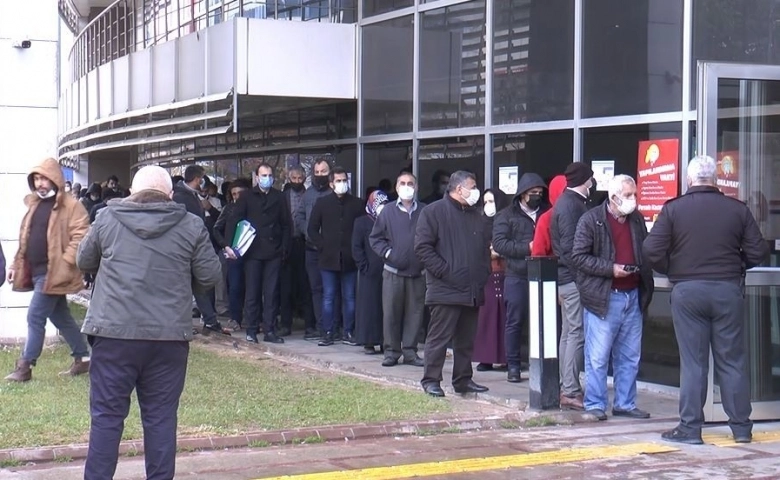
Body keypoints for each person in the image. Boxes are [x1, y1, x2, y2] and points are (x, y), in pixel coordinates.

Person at [77, 165, 221, 480]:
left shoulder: (107, 218)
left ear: (131, 192)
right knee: (160, 420)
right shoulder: (190, 225)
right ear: (170, 195)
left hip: (113, 334)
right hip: (168, 339)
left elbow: (83, 261)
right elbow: (210, 275)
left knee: (106, 419)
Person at [643, 155, 769, 445]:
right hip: (727, 290)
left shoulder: (674, 209)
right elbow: (758, 251)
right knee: (732, 361)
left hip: (688, 291)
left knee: (694, 363)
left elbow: (650, 250)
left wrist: (672, 269)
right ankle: (740, 428)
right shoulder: (737, 209)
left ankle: (690, 429)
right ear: (715, 180)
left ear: (689, 180)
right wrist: (736, 267)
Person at [572, 174, 653, 422]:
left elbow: (646, 249)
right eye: (629, 195)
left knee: (629, 356)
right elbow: (578, 257)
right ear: (614, 197)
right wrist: (611, 269)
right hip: (605, 296)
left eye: (635, 194)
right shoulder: (591, 220)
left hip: (633, 295)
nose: (633, 200)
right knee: (598, 355)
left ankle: (625, 403)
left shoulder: (636, 220)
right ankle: (595, 403)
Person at [4, 158, 91, 382]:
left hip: (54, 273)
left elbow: (81, 236)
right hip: (36, 271)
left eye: (44, 178)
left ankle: (25, 366)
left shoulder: (72, 206)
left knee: (35, 316)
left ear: (55, 179)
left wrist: (64, 263)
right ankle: (83, 359)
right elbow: (25, 239)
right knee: (61, 317)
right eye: (37, 179)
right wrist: (15, 265)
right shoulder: (33, 205)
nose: (41, 183)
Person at [414, 170, 491, 397]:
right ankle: (431, 380)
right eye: (473, 186)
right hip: (445, 289)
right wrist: (446, 272)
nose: (476, 191)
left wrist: (483, 272)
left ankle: (463, 380)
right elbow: (423, 248)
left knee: (465, 340)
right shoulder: (433, 212)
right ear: (459, 189)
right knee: (439, 338)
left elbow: (483, 249)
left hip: (472, 289)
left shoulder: (476, 215)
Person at [224, 163, 290, 344]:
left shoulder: (279, 196)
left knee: (271, 293)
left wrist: (284, 248)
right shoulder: (247, 197)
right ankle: (252, 330)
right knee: (252, 292)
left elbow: (286, 224)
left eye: (269, 175)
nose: (266, 178)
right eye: (263, 175)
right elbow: (235, 221)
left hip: (273, 251)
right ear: (256, 177)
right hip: (252, 252)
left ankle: (270, 330)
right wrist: (230, 245)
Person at [492, 174, 548, 382]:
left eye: (540, 193)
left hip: (543, 275)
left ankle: (541, 363)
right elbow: (499, 244)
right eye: (533, 193)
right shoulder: (506, 215)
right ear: (523, 194)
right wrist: (527, 248)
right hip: (516, 275)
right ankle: (513, 366)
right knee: (514, 322)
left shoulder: (546, 212)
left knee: (542, 322)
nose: (537, 196)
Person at [370, 172, 427, 367]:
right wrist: (389, 254)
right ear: (396, 187)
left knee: (415, 314)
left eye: (410, 183)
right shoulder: (386, 212)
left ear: (416, 187)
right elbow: (375, 239)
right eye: (402, 183)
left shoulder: (425, 212)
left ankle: (410, 352)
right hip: (393, 273)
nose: (407, 186)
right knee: (391, 314)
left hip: (418, 274)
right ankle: (391, 352)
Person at [550, 162, 594, 410]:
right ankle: (569, 389)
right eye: (590, 179)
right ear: (584, 180)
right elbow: (569, 248)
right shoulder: (571, 205)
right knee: (575, 334)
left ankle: (566, 384)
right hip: (572, 280)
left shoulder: (566, 203)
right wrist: (582, 277)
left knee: (569, 333)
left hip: (566, 279)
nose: (593, 183)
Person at [308, 167, 364, 346]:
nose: (342, 184)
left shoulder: (356, 203)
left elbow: (363, 229)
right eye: (338, 181)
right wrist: (322, 245)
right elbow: (312, 229)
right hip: (328, 258)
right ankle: (328, 332)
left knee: (349, 297)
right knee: (328, 296)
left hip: (349, 258)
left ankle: (348, 331)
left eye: (344, 180)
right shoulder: (322, 203)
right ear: (331, 184)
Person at [173, 165, 228, 335]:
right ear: (197, 179)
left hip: (194, 247)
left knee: (199, 285)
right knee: (185, 286)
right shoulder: (181, 196)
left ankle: (210, 320)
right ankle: (187, 323)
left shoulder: (189, 195)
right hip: (185, 247)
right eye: (202, 177)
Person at [472, 189, 510, 372]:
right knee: (486, 317)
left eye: (492, 201)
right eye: (485, 202)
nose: (489, 206)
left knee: (505, 317)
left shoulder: (508, 220)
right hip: (486, 275)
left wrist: (501, 250)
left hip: (506, 273)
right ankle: (485, 358)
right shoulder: (479, 223)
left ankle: (505, 358)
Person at [352, 190, 389, 354]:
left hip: (387, 271)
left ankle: (385, 341)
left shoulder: (390, 221)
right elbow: (356, 247)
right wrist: (364, 266)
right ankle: (368, 341)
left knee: (386, 308)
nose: (382, 207)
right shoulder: (361, 222)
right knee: (369, 307)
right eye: (379, 204)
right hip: (369, 273)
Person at [279, 165, 315, 338]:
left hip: (305, 243)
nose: (297, 181)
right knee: (285, 287)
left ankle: (310, 325)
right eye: (294, 178)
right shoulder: (283, 197)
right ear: (288, 178)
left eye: (300, 178)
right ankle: (285, 324)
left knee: (306, 285)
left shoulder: (310, 196)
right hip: (287, 244)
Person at [212, 178, 252, 331]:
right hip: (233, 253)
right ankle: (235, 318)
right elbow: (216, 228)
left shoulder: (253, 208)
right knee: (234, 286)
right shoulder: (228, 208)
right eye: (234, 194)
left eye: (239, 193)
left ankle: (252, 318)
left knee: (252, 287)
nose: (236, 197)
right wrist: (225, 246)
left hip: (252, 253)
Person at [531, 175, 567, 256]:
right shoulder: (546, 218)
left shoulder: (581, 212)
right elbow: (538, 253)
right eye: (565, 192)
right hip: (554, 267)